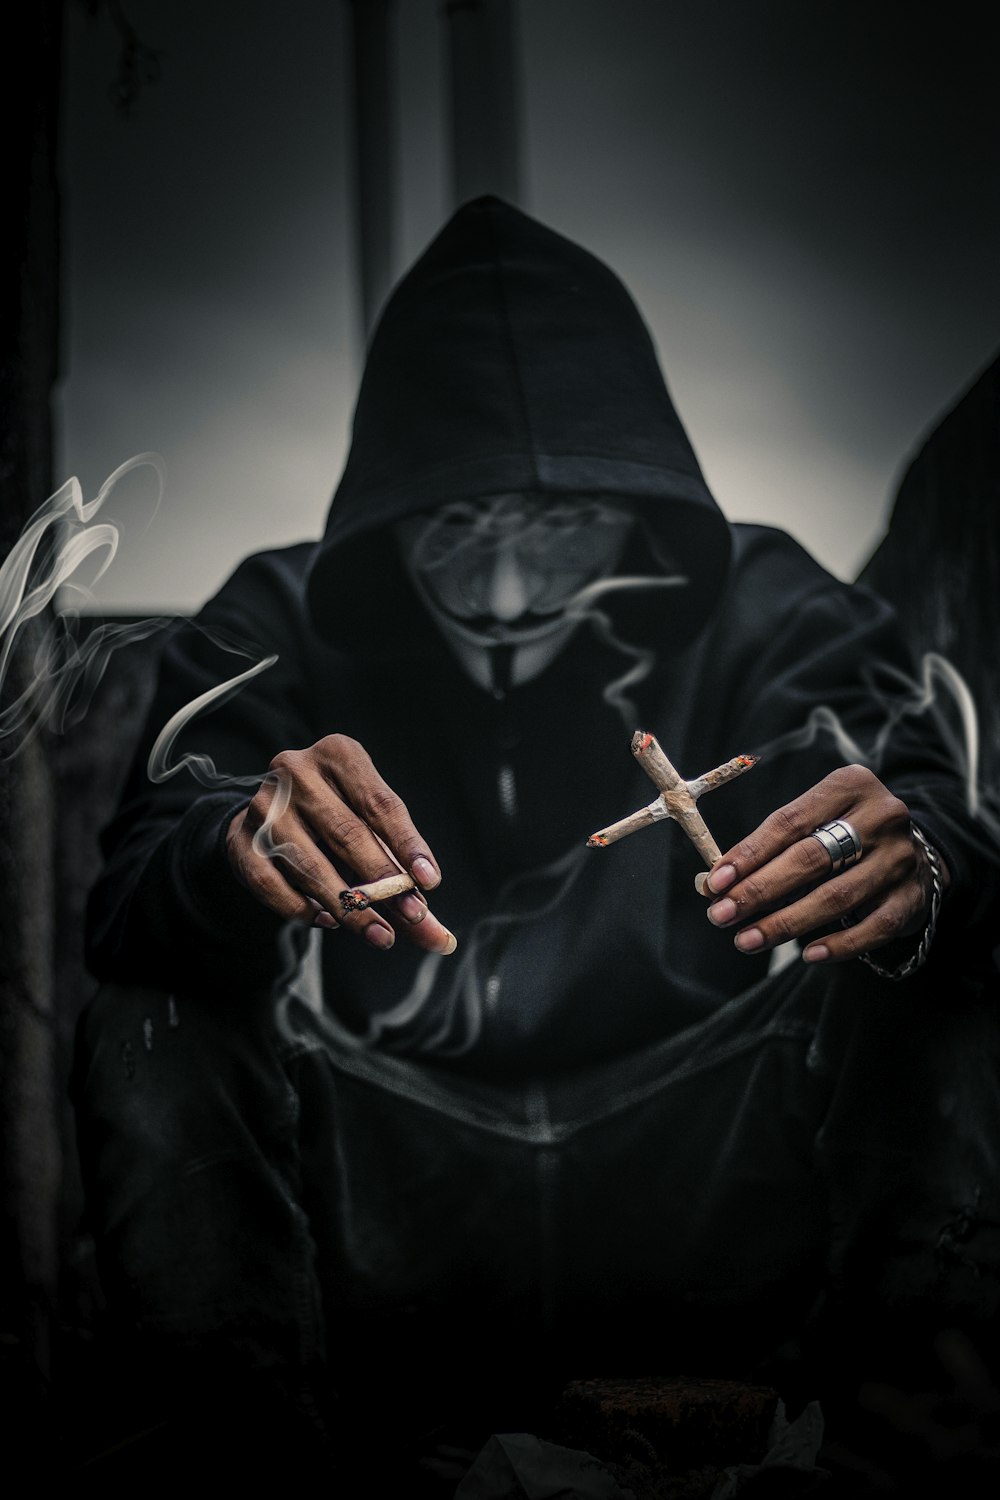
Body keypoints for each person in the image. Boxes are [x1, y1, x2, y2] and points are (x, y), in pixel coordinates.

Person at [75, 197, 1000, 1472]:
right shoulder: (277, 615)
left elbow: (933, 818)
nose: (507, 598)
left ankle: (918, 1439)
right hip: (384, 1184)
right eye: (455, 533)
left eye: (560, 525)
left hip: (707, 1167)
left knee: (930, 958)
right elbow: (126, 896)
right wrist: (232, 855)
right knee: (153, 1010)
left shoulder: (768, 607)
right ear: (387, 517)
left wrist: (918, 865)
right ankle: (237, 1462)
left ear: (638, 508)